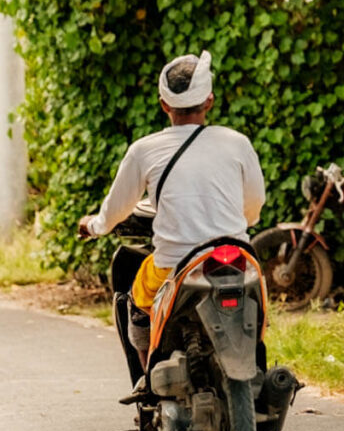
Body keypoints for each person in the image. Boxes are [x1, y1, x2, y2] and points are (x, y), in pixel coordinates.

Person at [78, 50, 265, 374]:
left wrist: (94, 226)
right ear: (209, 101)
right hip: (237, 258)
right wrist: (243, 222)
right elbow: (254, 204)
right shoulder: (238, 143)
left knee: (137, 302)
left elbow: (116, 209)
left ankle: (147, 384)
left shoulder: (144, 150)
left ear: (164, 105)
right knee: (257, 305)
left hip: (174, 265)